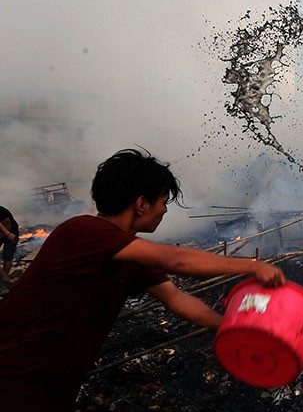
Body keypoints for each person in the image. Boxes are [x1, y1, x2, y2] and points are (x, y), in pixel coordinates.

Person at [0, 148, 287, 411]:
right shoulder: (83, 231)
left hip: (54, 379)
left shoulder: (128, 255)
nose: (164, 210)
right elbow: (178, 261)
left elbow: (178, 300)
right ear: (141, 204)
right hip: (13, 370)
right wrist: (252, 267)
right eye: (163, 202)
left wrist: (230, 329)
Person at [0, 205, 18, 283]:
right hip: (3, 233)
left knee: (7, 256)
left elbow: (8, 226)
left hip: (11, 233)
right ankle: (4, 277)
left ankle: (5, 279)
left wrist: (7, 234)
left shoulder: (2, 211)